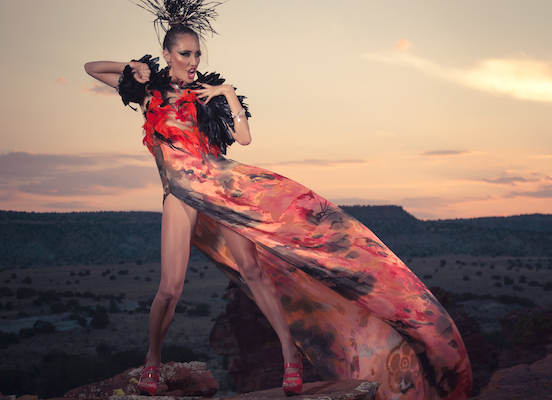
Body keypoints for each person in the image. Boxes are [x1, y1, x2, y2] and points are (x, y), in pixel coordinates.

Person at [85, 1, 472, 399]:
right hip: (181, 193)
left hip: (224, 190)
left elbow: (245, 139)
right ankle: (153, 359)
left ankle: (291, 355)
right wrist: (131, 65)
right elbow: (90, 69)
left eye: (198, 53)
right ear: (167, 54)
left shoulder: (207, 93)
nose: (194, 60)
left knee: (253, 271)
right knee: (170, 287)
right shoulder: (148, 90)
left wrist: (228, 94)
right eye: (185, 53)